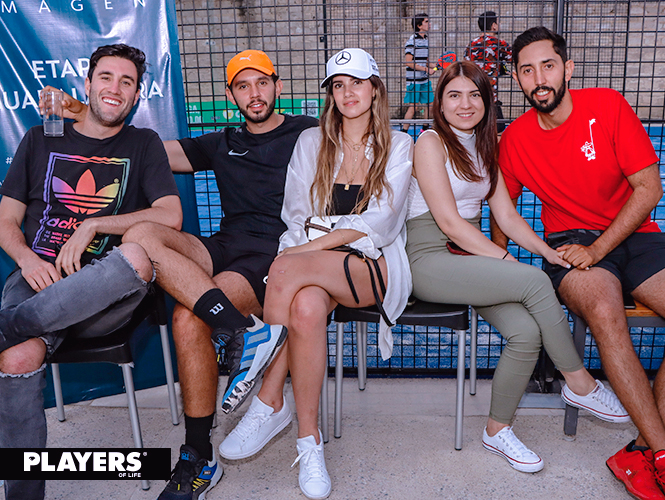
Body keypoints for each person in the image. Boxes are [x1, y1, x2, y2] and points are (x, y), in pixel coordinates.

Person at [54, 49, 319, 499]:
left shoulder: (307, 131)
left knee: (186, 317)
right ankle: (242, 330)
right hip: (223, 245)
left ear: (278, 86)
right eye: (242, 86)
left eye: (261, 83)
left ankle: (198, 456)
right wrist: (82, 112)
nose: (254, 94)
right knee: (141, 232)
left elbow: (359, 143)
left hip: (276, 255)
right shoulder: (220, 140)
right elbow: (147, 149)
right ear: (230, 94)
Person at [406, 61, 629, 473]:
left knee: (525, 333)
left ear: (488, 102)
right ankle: (579, 382)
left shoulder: (487, 146)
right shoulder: (430, 142)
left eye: (475, 94)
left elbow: (506, 217)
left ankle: (497, 430)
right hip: (427, 258)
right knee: (533, 283)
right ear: (440, 102)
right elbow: (450, 222)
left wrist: (547, 252)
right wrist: (507, 259)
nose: (465, 104)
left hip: (465, 255)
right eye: (454, 95)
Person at [218, 48, 413, 499]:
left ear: (375, 88)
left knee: (285, 264)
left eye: (357, 83)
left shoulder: (402, 144)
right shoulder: (311, 142)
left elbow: (380, 225)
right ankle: (309, 441)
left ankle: (266, 390)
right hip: (317, 268)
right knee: (305, 307)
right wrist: (321, 241)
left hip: (375, 269)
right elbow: (295, 215)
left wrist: (315, 242)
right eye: (338, 85)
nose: (348, 93)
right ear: (330, 94)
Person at [0, 44, 182, 500]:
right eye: (106, 77)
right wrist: (27, 259)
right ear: (87, 84)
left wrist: (95, 223)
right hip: (37, 280)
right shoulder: (42, 138)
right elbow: (6, 219)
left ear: (138, 94)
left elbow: (170, 214)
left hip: (103, 290)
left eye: (126, 82)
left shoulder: (143, 145)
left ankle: (5, 328)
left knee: (139, 258)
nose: (114, 88)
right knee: (17, 357)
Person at [496, 26, 665, 498]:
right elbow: (503, 214)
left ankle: (645, 449)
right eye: (527, 71)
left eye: (548, 65)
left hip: (634, 232)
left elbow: (649, 189)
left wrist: (600, 249)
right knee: (607, 312)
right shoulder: (514, 140)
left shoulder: (608, 105)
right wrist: (500, 265)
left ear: (567, 68)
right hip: (569, 244)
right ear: (517, 79)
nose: (539, 78)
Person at [464, 11, 512, 132]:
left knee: (477, 128)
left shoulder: (471, 45)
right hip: (491, 95)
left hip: (474, 93)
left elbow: (466, 64)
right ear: (493, 25)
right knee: (498, 128)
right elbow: (514, 58)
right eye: (498, 22)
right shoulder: (498, 43)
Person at [402, 13, 437, 134]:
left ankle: (425, 129)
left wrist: (435, 66)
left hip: (424, 80)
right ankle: (404, 131)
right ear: (419, 25)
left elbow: (424, 61)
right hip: (414, 80)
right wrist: (427, 70)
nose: (429, 24)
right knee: (414, 107)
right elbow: (409, 63)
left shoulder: (425, 39)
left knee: (430, 105)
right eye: (426, 22)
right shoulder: (412, 41)